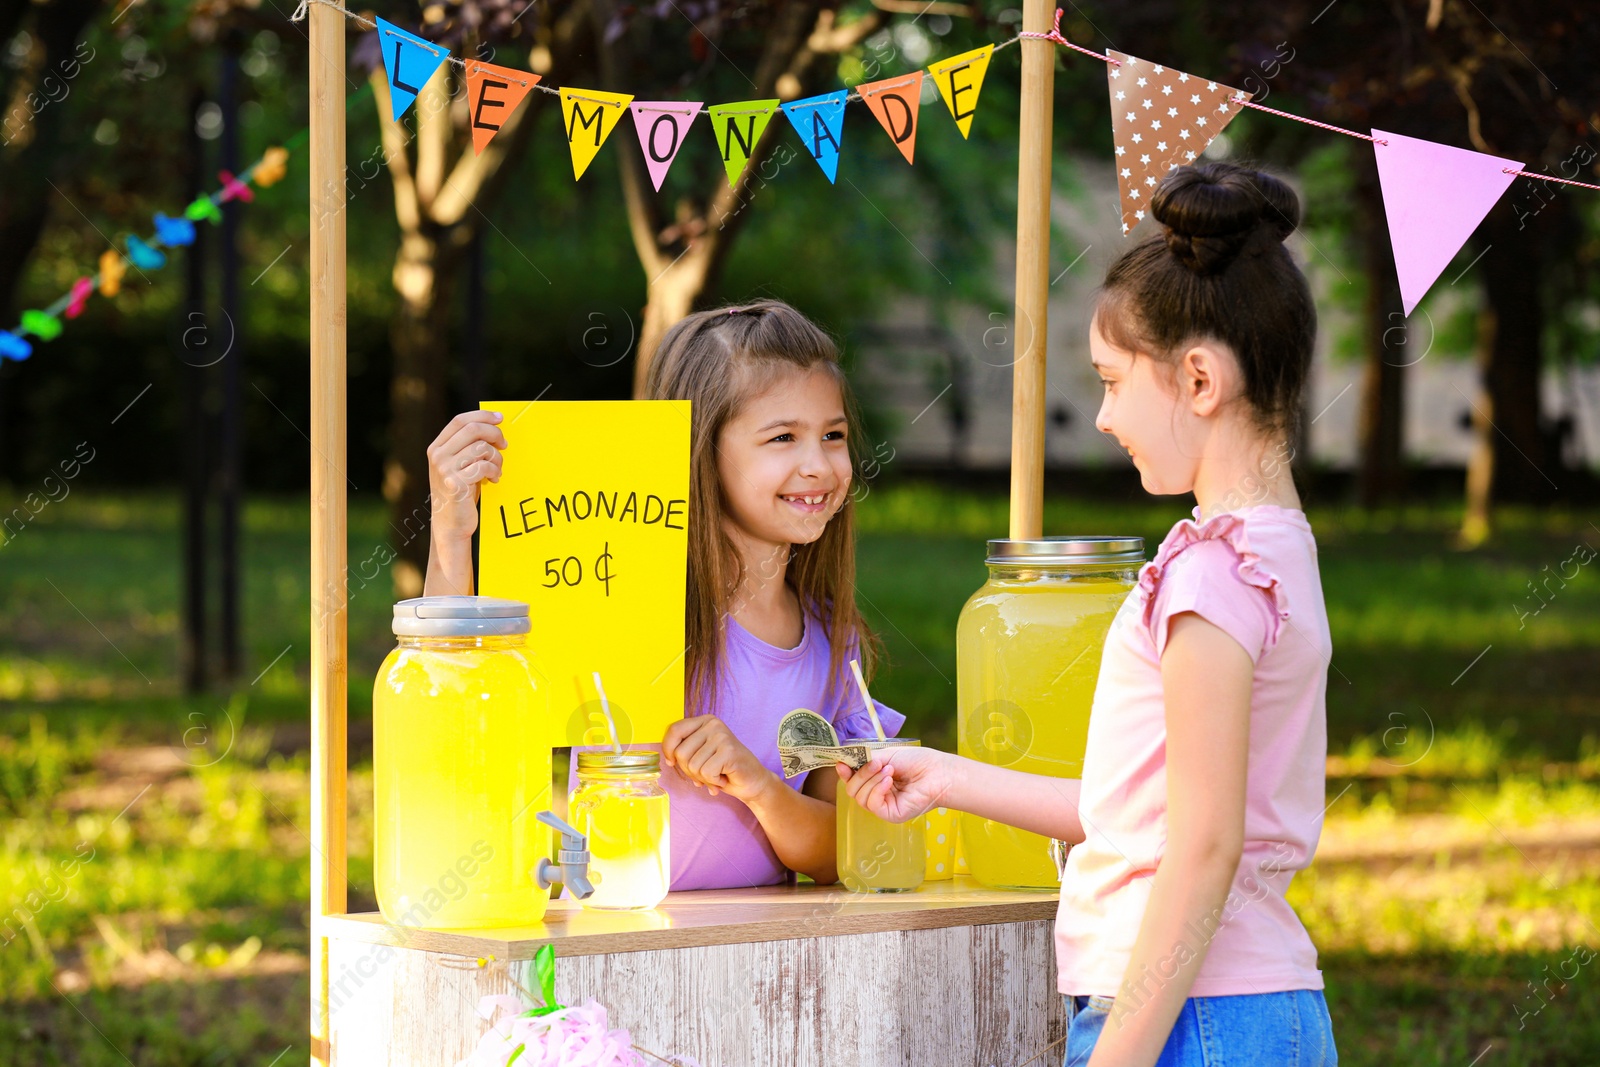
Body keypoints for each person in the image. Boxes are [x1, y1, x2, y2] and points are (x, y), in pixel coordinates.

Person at [840, 162, 1337, 1067]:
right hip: (1248, 1010)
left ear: (1196, 380)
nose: (1103, 416)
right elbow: (1141, 816)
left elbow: (1203, 847)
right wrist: (944, 775)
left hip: (1190, 1021)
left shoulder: (1209, 577)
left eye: (1112, 380)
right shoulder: (1275, 551)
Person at [424, 299, 903, 889]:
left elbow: (842, 852)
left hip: (773, 955)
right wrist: (450, 535)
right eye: (782, 437)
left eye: (833, 435)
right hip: (621, 946)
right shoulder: (623, 603)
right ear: (701, 448)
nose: (819, 464)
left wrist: (759, 786)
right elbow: (459, 703)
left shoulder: (835, 642)